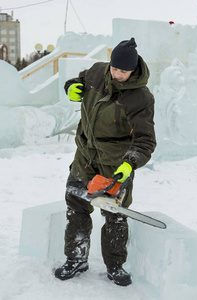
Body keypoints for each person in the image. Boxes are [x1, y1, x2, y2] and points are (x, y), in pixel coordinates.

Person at [54, 37, 156, 287]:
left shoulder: (141, 97)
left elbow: (145, 140)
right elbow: (78, 81)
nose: (117, 74)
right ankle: (76, 258)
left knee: (114, 214)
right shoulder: (97, 72)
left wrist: (129, 163)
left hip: (115, 163)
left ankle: (115, 265)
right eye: (115, 68)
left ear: (133, 70)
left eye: (124, 70)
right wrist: (71, 87)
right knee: (76, 204)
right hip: (85, 156)